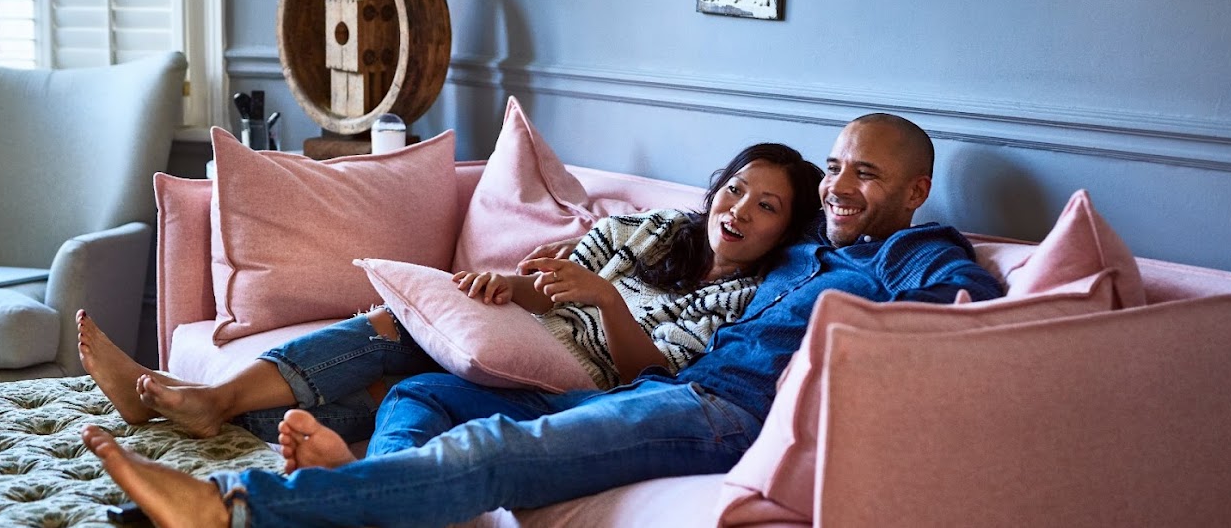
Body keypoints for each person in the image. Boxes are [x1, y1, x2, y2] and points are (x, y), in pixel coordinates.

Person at [79, 113, 1005, 528]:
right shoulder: (802, 251)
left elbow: (965, 302)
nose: (841, 186)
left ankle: (239, 513)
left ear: (915, 192)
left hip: (729, 414)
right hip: (674, 389)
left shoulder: (907, 253)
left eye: (866, 175)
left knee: (491, 457)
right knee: (434, 402)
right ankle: (370, 488)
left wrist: (853, 336)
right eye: (837, 166)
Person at [75, 142, 826, 444]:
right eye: (735, 190)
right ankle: (194, 402)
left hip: (587, 374)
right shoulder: (661, 229)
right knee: (388, 339)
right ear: (714, 192)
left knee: (404, 368)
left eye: (766, 207)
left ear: (786, 230)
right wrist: (508, 286)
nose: (739, 211)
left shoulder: (751, 299)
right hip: (536, 330)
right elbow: (548, 285)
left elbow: (649, 377)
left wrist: (605, 302)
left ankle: (187, 400)